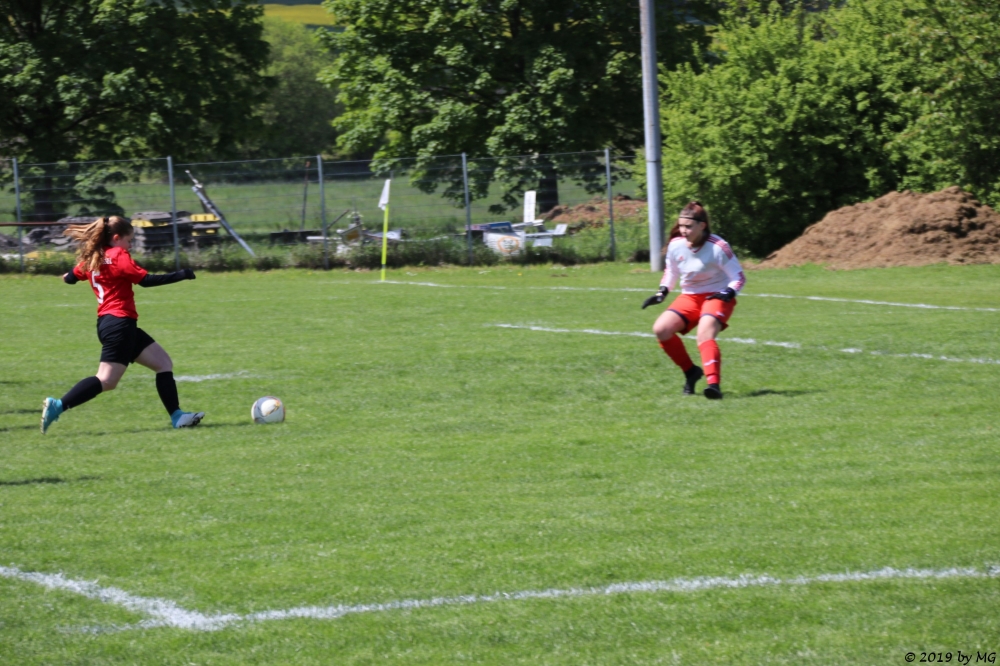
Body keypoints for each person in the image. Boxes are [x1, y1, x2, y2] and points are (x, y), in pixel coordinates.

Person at [41, 216, 204, 433]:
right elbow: (145, 280)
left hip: (111, 324)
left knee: (163, 363)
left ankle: (177, 416)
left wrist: (68, 276)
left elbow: (70, 277)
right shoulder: (117, 255)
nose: (130, 245)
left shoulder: (94, 257)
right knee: (106, 380)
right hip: (119, 324)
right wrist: (182, 274)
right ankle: (58, 405)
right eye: (129, 240)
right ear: (117, 238)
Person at [641, 201, 746, 400]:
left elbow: (738, 277)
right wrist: (662, 292)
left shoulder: (718, 247)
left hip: (717, 295)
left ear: (702, 225)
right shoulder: (676, 245)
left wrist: (729, 292)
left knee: (704, 334)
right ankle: (691, 372)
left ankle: (713, 385)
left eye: (688, 227)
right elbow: (671, 272)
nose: (683, 231)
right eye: (681, 226)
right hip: (690, 296)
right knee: (661, 329)